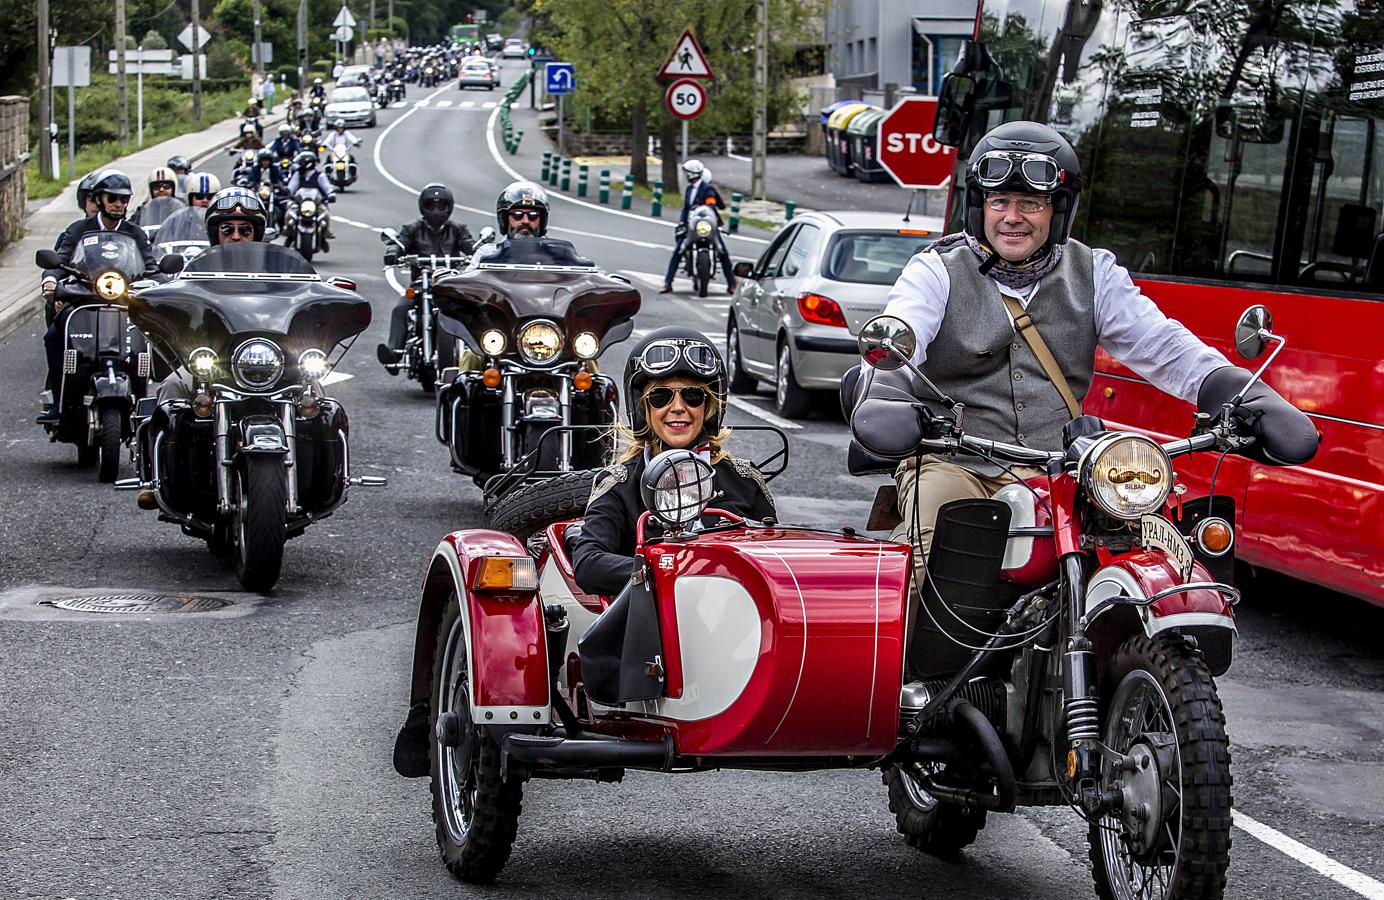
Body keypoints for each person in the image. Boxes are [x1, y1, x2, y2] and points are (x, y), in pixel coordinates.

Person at [855, 120, 1319, 579]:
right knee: (933, 553)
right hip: (956, 459)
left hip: (1062, 470)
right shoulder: (936, 271)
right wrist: (888, 390)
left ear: (1058, 211)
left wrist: (1243, 395)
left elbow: (1164, 346)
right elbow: (903, 332)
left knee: (1155, 556)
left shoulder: (1094, 273)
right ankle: (911, 655)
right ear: (981, 207)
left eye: (1031, 204)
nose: (1012, 216)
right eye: (1000, 201)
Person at [570, 326, 777, 597]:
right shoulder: (619, 483)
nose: (678, 407)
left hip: (731, 627)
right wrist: (670, 572)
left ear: (710, 406)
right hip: (650, 632)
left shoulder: (743, 479)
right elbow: (588, 565)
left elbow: (775, 561)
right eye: (661, 396)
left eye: (692, 396)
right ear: (643, 408)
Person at [38, 170, 159, 423]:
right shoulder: (79, 229)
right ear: (99, 199)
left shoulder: (135, 233)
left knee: (151, 338)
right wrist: (51, 281)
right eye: (112, 198)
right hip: (85, 298)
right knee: (54, 336)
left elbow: (151, 267)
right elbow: (59, 261)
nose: (118, 204)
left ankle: (144, 401)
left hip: (124, 299)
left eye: (124, 200)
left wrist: (160, 282)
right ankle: (59, 400)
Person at [376, 183, 474, 364]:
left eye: (441, 206)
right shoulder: (413, 228)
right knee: (401, 307)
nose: (436, 211)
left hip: (449, 283)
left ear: (449, 207)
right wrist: (393, 253)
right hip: (422, 282)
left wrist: (478, 252)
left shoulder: (457, 229)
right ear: (423, 207)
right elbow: (400, 243)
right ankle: (394, 351)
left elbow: (470, 246)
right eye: (432, 206)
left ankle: (479, 352)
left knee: (472, 305)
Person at [661, 159, 735, 295]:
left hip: (707, 225)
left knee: (723, 252)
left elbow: (711, 205)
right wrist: (682, 223)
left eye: (687, 174)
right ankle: (668, 282)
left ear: (691, 174)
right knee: (678, 250)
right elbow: (686, 209)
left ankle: (731, 284)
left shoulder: (708, 189)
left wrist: (707, 210)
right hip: (692, 225)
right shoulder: (689, 190)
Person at [468, 180, 549, 268]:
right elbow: (470, 279)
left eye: (533, 215)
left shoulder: (556, 255)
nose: (526, 221)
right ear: (505, 219)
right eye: (517, 215)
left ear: (542, 220)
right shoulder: (488, 254)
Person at [285, 150, 336, 250]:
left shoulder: (319, 176)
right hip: (299, 202)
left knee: (325, 215)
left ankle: (323, 236)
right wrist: (287, 192)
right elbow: (292, 186)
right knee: (289, 214)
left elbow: (327, 187)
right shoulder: (298, 175)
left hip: (316, 203)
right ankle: (290, 234)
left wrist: (331, 194)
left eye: (301, 162)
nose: (299, 165)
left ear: (307, 163)